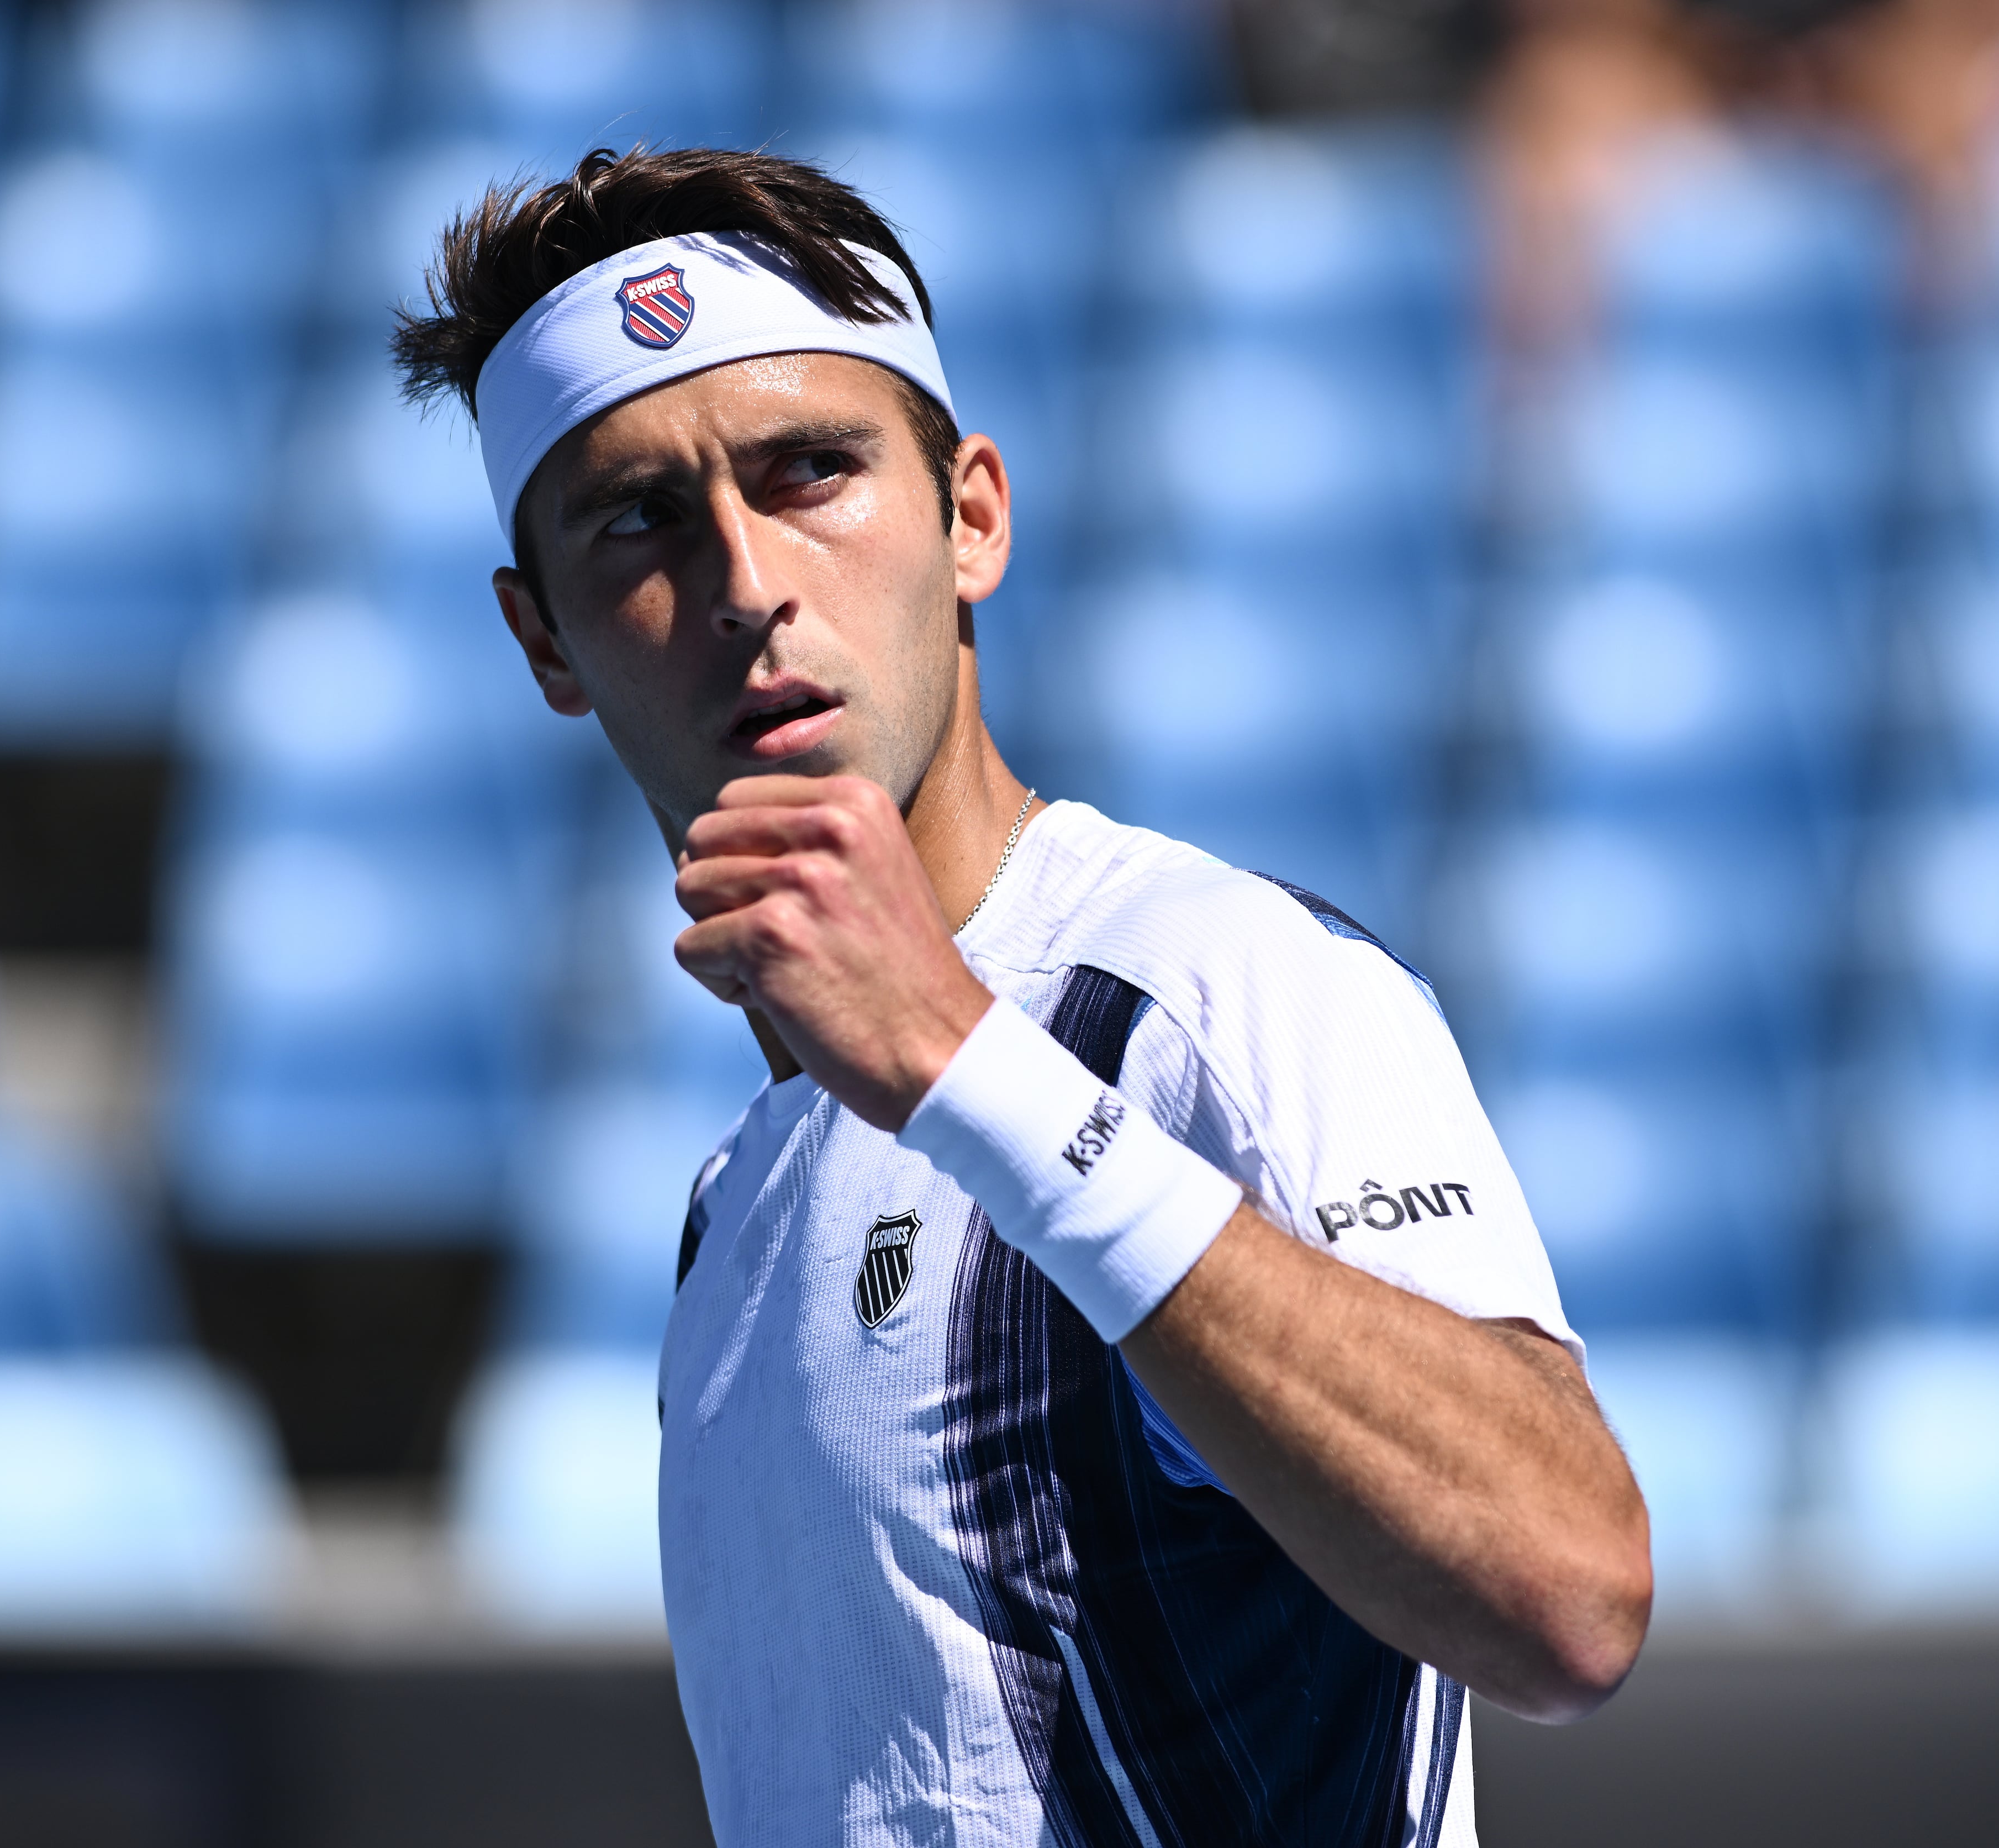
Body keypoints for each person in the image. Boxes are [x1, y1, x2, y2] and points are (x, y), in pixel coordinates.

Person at [393, 146, 1649, 1847]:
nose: (750, 581)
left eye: (810, 472)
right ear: (545, 640)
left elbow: (1569, 1589)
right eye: (641, 519)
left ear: (972, 515)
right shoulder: (735, 1205)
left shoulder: (1212, 982)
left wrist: (975, 1068)